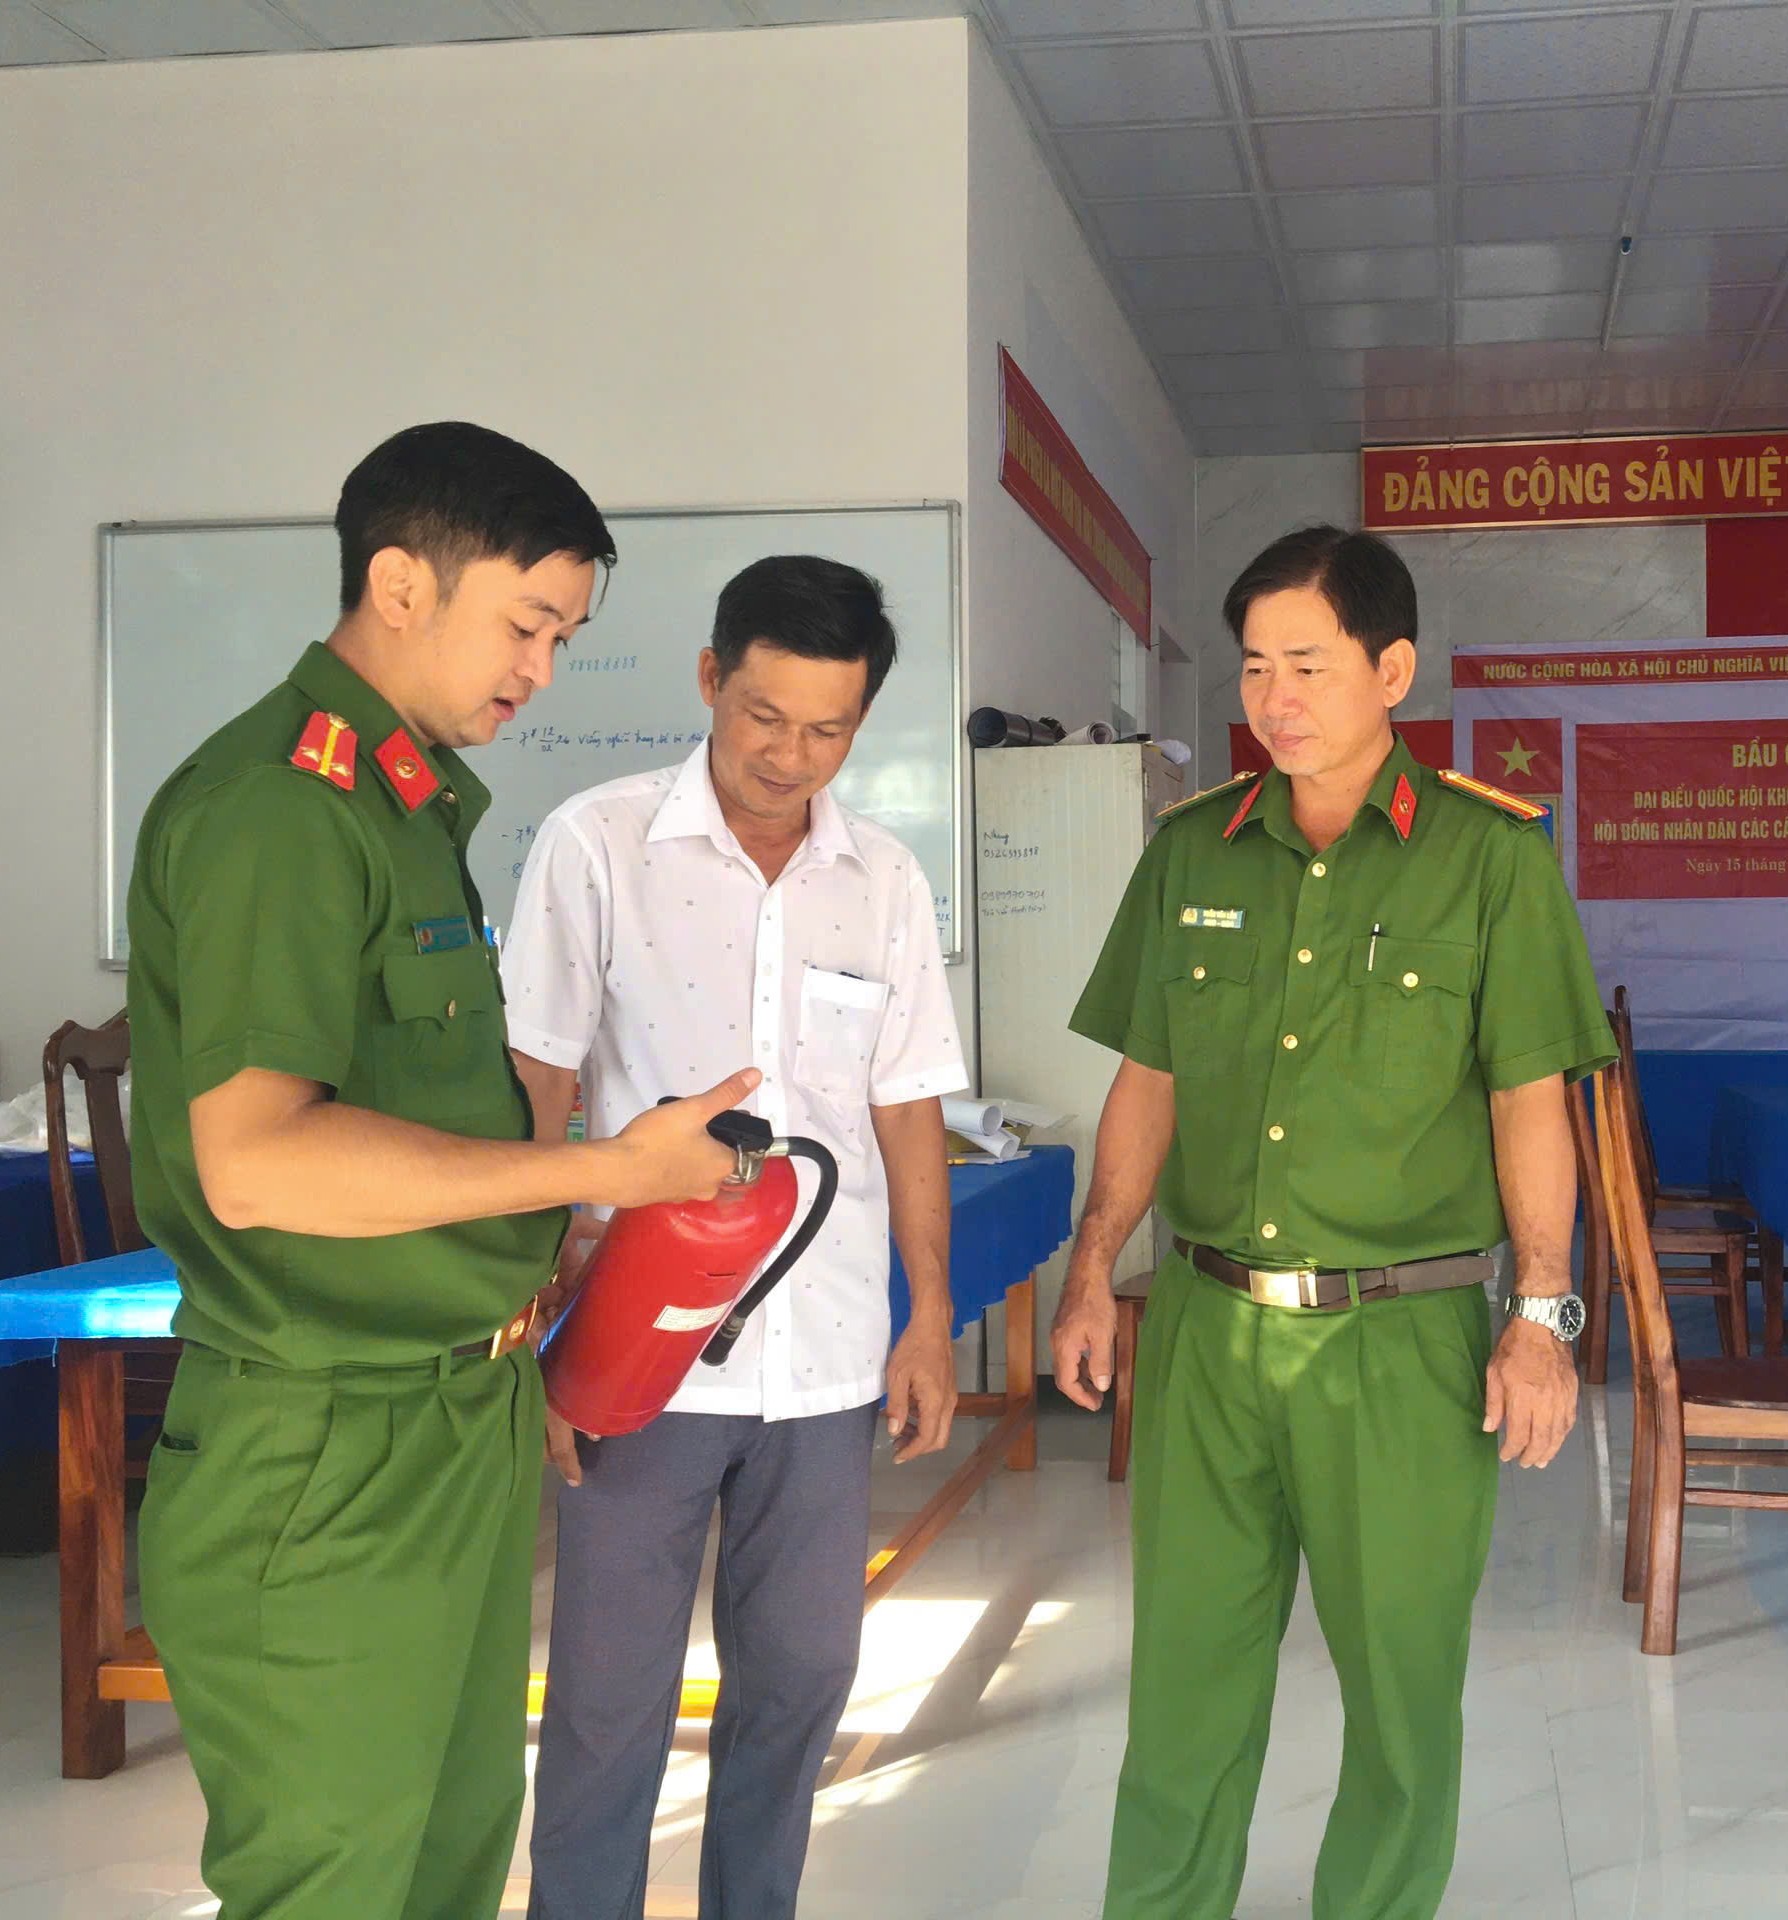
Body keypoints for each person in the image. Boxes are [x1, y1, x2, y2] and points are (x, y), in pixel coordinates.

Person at [126, 420, 756, 1920]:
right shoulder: (282, 811)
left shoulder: (407, 810)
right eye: (526, 624)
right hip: (325, 1441)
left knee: (453, 1858)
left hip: (455, 1414)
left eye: (564, 637)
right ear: (402, 583)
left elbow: (423, 1117)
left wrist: (557, 1245)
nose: (542, 669)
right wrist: (603, 1170)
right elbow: (257, 1162)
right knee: (341, 1878)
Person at [1051, 524, 1613, 1920]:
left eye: (1309, 664)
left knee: (1401, 1692)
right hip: (1207, 1329)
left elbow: (1530, 1103)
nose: (1275, 697)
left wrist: (1542, 1316)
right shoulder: (1193, 852)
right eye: (1255, 666)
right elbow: (1147, 1082)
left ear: (1393, 671)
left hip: (1401, 1341)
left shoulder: (1488, 859)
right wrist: (1091, 1271)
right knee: (1184, 1684)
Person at [503, 553, 968, 1920]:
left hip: (823, 1358)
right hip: (635, 1349)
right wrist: (535, 1310)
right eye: (764, 715)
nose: (790, 755)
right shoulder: (596, 844)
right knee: (607, 1701)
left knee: (803, 1683)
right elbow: (538, 1083)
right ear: (711, 679)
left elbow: (907, 1111)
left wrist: (929, 1318)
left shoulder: (884, 879)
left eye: (828, 729)